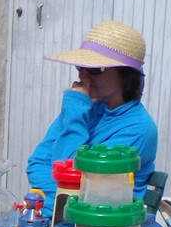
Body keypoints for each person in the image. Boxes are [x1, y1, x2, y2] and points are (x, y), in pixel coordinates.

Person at [25, 20, 158, 197]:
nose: (83, 75)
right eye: (81, 66)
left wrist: (52, 199)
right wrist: (58, 199)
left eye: (96, 69)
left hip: (102, 221)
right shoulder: (85, 108)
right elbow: (36, 163)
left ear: (125, 75)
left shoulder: (138, 129)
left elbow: (79, 185)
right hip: (62, 215)